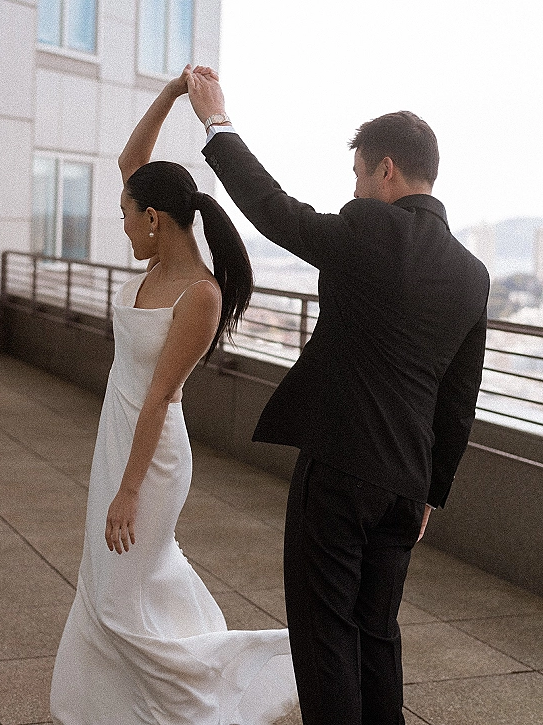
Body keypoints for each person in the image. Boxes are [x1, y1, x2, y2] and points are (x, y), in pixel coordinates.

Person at [187, 67, 490, 725]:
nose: (353, 188)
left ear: (384, 170)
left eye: (357, 173)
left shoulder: (368, 229)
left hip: (342, 470)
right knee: (377, 632)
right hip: (406, 485)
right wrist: (429, 491)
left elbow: (273, 211)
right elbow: (458, 400)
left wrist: (217, 122)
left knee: (325, 633)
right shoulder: (472, 273)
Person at [50, 65, 298, 725]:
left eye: (129, 219)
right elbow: (134, 160)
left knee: (117, 593)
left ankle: (194, 701)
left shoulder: (200, 295)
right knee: (117, 584)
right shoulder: (158, 262)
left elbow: (159, 399)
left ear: (155, 220)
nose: (125, 228)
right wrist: (170, 94)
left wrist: (128, 490)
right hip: (118, 437)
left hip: (151, 459)